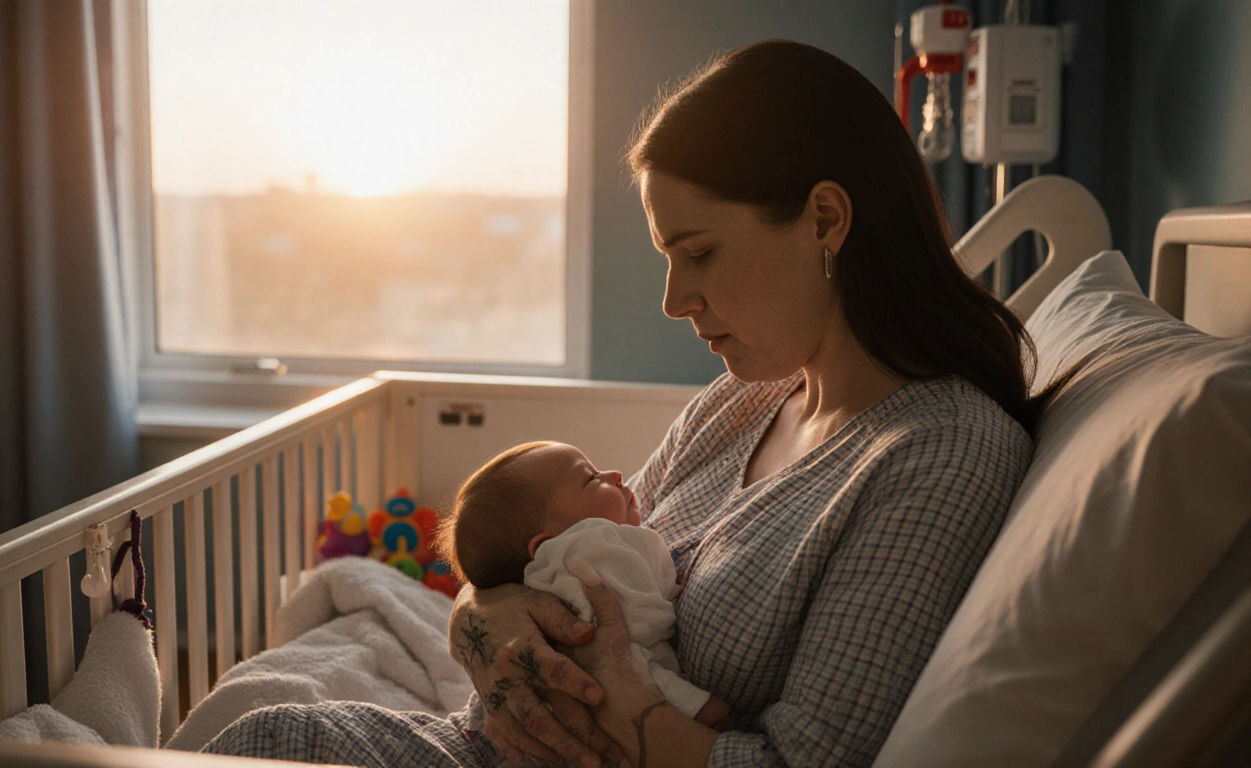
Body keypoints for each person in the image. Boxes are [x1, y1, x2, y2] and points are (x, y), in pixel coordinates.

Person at [204, 39, 1057, 767]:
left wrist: (618, 702)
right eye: (667, 258)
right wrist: (481, 612)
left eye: (700, 253)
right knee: (262, 734)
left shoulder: (938, 455)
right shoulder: (741, 404)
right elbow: (565, 552)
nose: (674, 300)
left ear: (825, 220)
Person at [440, 440, 731, 730]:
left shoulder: (556, 572)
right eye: (591, 478)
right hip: (610, 688)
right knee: (637, 670)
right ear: (548, 545)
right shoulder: (588, 548)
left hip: (500, 722)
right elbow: (643, 623)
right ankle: (697, 710)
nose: (616, 475)